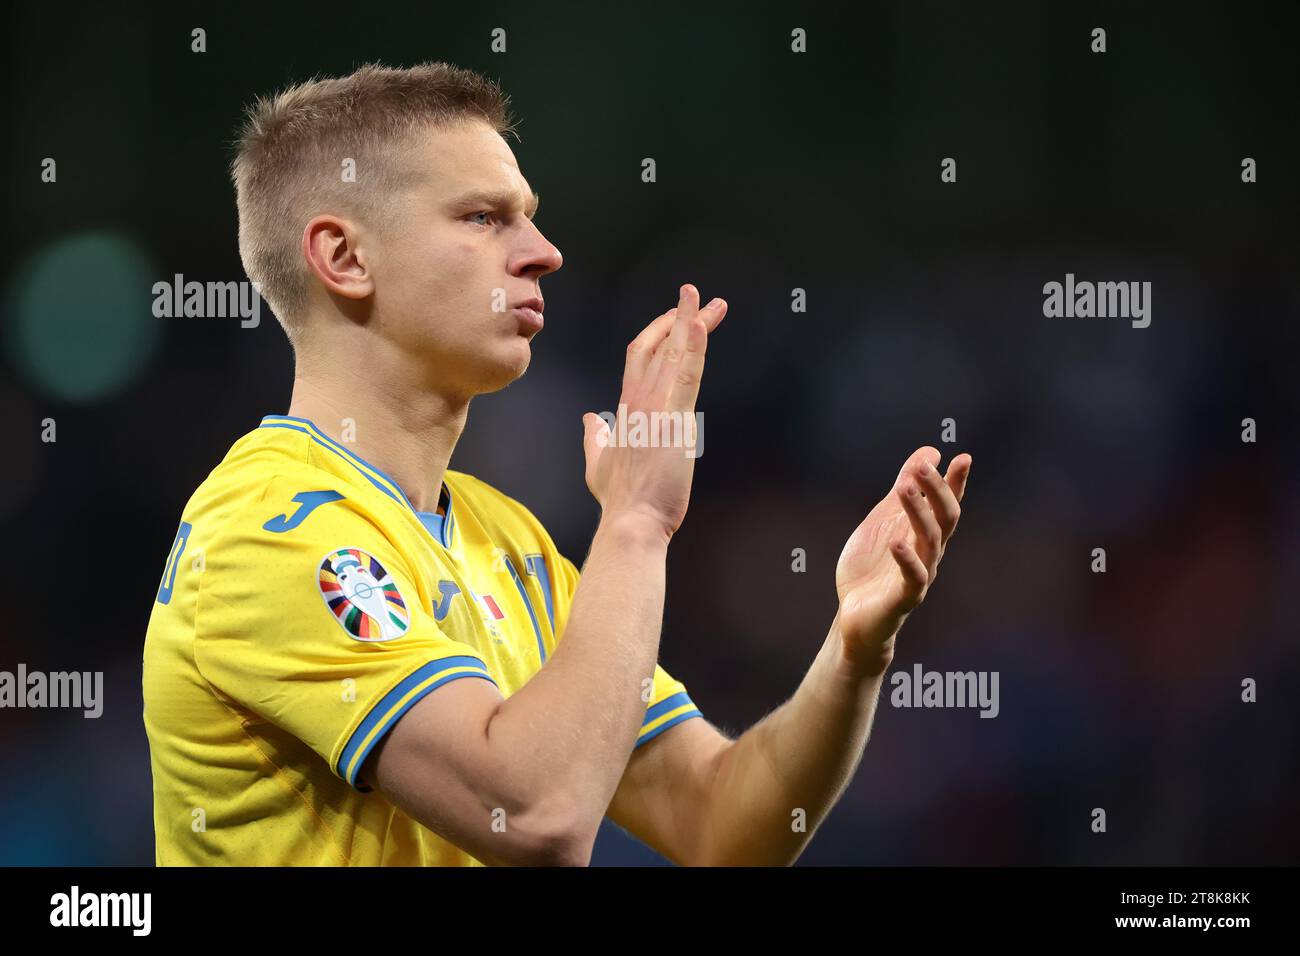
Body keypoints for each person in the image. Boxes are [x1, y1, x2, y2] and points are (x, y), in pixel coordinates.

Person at [143, 61, 972, 866]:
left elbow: (719, 823)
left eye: (530, 216)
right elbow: (537, 815)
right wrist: (638, 522)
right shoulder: (266, 530)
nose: (544, 252)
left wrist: (855, 648)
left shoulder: (509, 542)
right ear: (345, 258)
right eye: (482, 217)